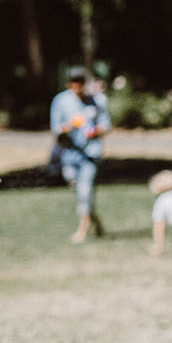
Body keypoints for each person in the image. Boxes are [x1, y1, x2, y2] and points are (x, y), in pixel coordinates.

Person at [50, 66, 110, 243]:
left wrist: (93, 131)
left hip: (90, 155)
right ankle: (95, 221)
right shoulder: (60, 101)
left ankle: (82, 232)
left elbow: (106, 126)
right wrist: (69, 126)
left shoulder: (97, 101)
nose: (78, 86)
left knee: (85, 192)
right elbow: (56, 130)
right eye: (74, 83)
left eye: (81, 82)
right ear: (69, 84)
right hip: (69, 154)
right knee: (79, 191)